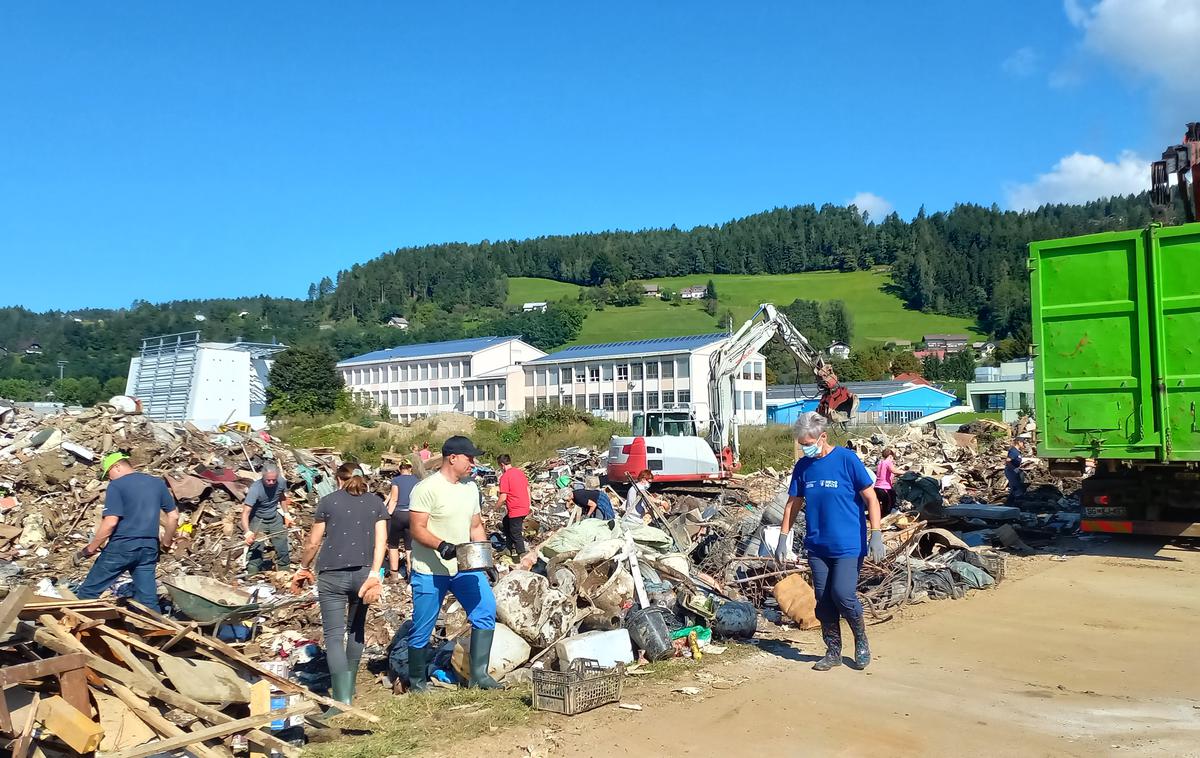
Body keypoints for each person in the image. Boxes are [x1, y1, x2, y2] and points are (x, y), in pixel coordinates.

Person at [776, 412, 884, 671]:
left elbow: (871, 498)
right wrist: (783, 537)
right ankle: (833, 651)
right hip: (818, 546)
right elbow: (793, 503)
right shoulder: (803, 467)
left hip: (848, 545)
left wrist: (876, 533)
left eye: (809, 442)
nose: (805, 448)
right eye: (801, 444)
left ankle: (861, 641)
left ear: (822, 437)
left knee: (843, 594)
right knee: (823, 601)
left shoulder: (846, 460)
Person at [406, 436, 502, 692]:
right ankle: (416, 683)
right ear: (452, 458)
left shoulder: (470, 488)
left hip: (464, 568)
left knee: (486, 610)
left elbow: (476, 526)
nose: (473, 462)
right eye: (469, 458)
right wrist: (441, 545)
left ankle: (479, 675)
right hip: (430, 570)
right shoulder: (427, 488)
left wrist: (487, 560)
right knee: (423, 626)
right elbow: (417, 529)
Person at [293, 463, 386, 709]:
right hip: (364, 574)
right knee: (356, 629)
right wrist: (375, 574)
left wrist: (303, 566)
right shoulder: (376, 503)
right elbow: (382, 542)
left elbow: (313, 543)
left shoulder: (328, 502)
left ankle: (342, 698)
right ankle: (351, 685)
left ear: (337, 479)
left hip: (331, 575)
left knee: (334, 637)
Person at [77, 452, 179, 609]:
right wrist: (166, 542)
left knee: (88, 593)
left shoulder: (117, 485)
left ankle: (71, 627)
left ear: (117, 466)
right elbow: (173, 516)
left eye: (108, 474)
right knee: (148, 602)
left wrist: (90, 549)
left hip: (122, 546)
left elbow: (110, 522)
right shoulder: (157, 483)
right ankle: (157, 630)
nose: (109, 479)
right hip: (149, 548)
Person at [241, 464, 295, 575]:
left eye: (273, 480)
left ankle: (284, 574)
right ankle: (252, 576)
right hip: (258, 520)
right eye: (268, 480)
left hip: (274, 518)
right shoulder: (255, 489)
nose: (271, 483)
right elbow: (245, 513)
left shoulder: (281, 482)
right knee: (256, 549)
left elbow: (282, 497)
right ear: (262, 477)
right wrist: (247, 532)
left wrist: (286, 514)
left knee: (282, 547)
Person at [385, 461, 419, 579]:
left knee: (393, 544)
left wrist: (388, 514)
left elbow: (394, 499)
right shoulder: (417, 481)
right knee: (409, 545)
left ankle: (394, 573)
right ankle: (410, 572)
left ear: (400, 469)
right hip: (412, 514)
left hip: (398, 514)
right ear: (411, 468)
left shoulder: (396, 480)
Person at [496, 454, 531, 559]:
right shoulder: (520, 473)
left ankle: (522, 555)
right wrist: (529, 504)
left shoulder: (505, 477)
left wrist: (495, 508)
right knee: (506, 522)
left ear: (502, 465)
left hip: (515, 509)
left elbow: (503, 497)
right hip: (524, 506)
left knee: (516, 532)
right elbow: (527, 489)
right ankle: (508, 548)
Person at [874, 448, 897, 516]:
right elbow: (894, 471)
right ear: (890, 456)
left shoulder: (880, 463)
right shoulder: (888, 462)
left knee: (880, 505)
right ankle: (885, 519)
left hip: (877, 487)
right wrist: (905, 472)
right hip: (885, 488)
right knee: (888, 506)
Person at [1005, 437, 1027, 504]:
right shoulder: (1013, 451)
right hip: (1011, 471)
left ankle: (1011, 503)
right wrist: (1014, 469)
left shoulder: (1017, 451)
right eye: (1022, 442)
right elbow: (1008, 461)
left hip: (1015, 470)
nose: (1023, 444)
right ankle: (1012, 503)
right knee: (1015, 487)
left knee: (1016, 487)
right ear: (1019, 442)